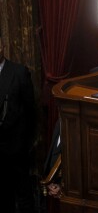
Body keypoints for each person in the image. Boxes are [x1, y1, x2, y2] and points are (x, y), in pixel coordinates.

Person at [0, 36, 36, 213]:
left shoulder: (19, 72)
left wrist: (26, 143)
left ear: (2, 46)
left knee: (23, 195)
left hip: (16, 149)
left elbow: (31, 110)